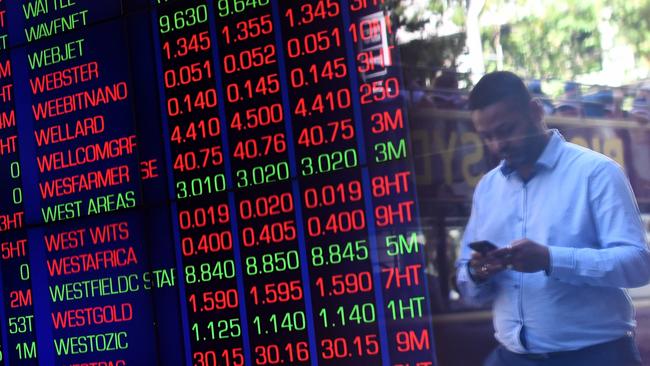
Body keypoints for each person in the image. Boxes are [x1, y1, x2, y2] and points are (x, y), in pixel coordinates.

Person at [455, 71, 650, 366]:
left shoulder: (596, 173)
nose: (498, 145)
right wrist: (478, 272)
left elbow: (637, 264)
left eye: (506, 130)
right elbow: (465, 279)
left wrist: (550, 259)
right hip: (511, 356)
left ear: (535, 111)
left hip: (596, 356)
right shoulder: (487, 189)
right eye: (487, 137)